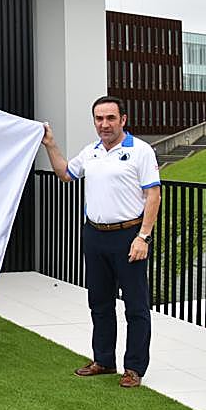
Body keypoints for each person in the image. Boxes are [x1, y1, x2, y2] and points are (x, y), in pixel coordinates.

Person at [41, 95, 161, 389]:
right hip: (94, 235)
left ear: (123, 119)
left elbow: (154, 195)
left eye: (110, 118)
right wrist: (50, 145)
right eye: (99, 118)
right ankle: (104, 360)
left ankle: (134, 368)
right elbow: (65, 174)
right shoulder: (91, 152)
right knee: (100, 302)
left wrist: (143, 236)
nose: (104, 124)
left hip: (129, 236)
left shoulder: (141, 151)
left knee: (135, 306)